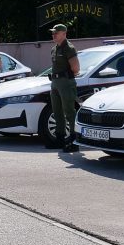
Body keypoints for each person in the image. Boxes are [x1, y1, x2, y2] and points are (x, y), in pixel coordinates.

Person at [47, 24, 80, 152]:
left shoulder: (69, 48)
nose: (53, 35)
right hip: (55, 83)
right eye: (53, 32)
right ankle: (60, 139)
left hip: (66, 82)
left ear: (64, 34)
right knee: (57, 112)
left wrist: (65, 77)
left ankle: (74, 140)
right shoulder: (54, 49)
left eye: (56, 32)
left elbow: (76, 68)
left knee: (69, 111)